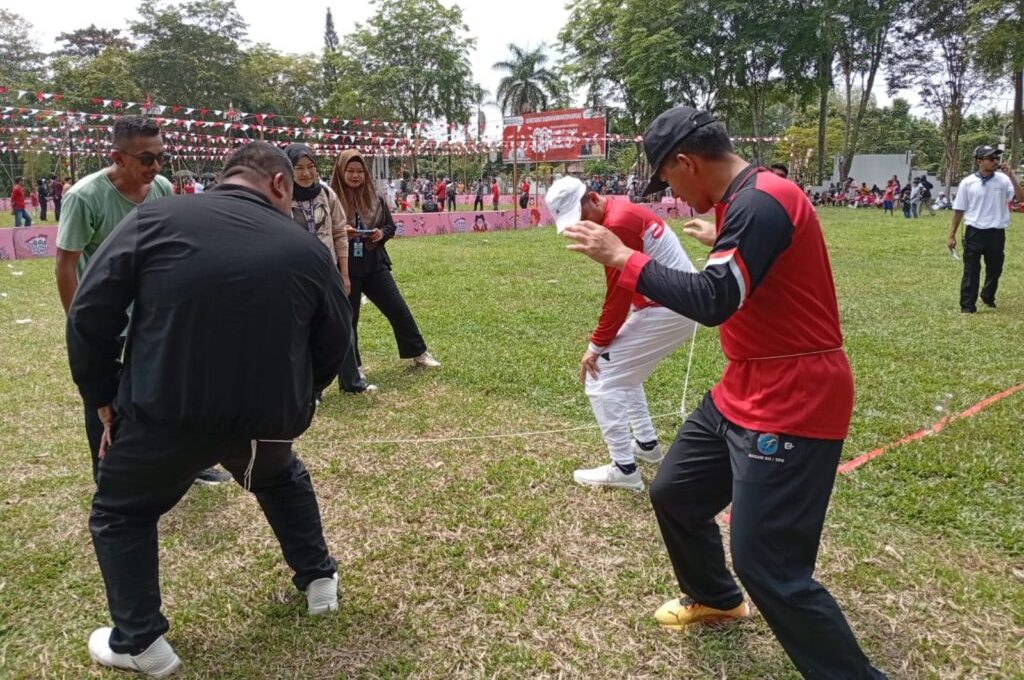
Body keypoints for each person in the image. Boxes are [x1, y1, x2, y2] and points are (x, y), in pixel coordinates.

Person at [563, 105, 885, 679]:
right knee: (675, 492)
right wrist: (724, 236)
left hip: (794, 396)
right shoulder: (745, 206)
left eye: (667, 180)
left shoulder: (761, 201)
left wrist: (623, 257)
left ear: (686, 162)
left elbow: (715, 300)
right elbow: (743, 276)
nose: (672, 194)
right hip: (744, 385)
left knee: (769, 564)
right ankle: (714, 596)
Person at [68, 142, 349, 678]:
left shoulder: (154, 218)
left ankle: (141, 642)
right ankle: (319, 580)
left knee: (120, 513)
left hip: (163, 410)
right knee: (280, 476)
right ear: (279, 185)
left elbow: (89, 311)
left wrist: (100, 395)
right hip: (265, 417)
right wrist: (300, 397)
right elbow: (335, 337)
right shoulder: (303, 245)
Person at [57, 116, 231, 486]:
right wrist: (80, 326)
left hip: (155, 314)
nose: (156, 167)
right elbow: (66, 263)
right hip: (107, 317)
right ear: (118, 158)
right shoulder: (83, 198)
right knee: (103, 397)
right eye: (147, 159)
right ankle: (108, 476)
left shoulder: (162, 188)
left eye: (161, 157)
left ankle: (188, 463)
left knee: (172, 388)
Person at [548, 177, 697, 491]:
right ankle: (646, 445)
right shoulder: (616, 215)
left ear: (593, 198)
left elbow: (617, 295)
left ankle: (624, 468)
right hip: (670, 303)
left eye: (581, 217)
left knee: (599, 376)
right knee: (624, 374)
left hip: (669, 306)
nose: (581, 228)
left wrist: (595, 346)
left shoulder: (617, 224)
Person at [331, 149, 441, 371]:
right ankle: (355, 368)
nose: (355, 176)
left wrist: (380, 234)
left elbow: (390, 226)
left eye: (360, 171)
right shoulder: (330, 198)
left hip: (374, 263)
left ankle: (419, 353)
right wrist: (341, 231)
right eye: (350, 171)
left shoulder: (375, 197)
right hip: (345, 267)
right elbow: (324, 230)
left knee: (397, 308)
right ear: (340, 171)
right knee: (349, 320)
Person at [286, 143, 377, 395]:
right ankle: (309, 390)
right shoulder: (282, 197)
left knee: (341, 324)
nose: (306, 173)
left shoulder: (326, 194)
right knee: (303, 330)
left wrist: (344, 274)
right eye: (299, 168)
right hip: (296, 274)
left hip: (328, 271)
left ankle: (351, 382)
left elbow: (339, 233)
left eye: (310, 167)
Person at [947, 145, 1024, 313]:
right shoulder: (967, 183)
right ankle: (967, 306)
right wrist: (951, 235)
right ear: (979, 161)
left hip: (996, 233)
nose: (995, 161)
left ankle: (988, 295)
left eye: (996, 158)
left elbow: (1021, 197)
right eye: (991, 158)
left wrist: (1011, 175)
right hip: (974, 232)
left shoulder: (1003, 180)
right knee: (971, 270)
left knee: (995, 268)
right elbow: (959, 210)